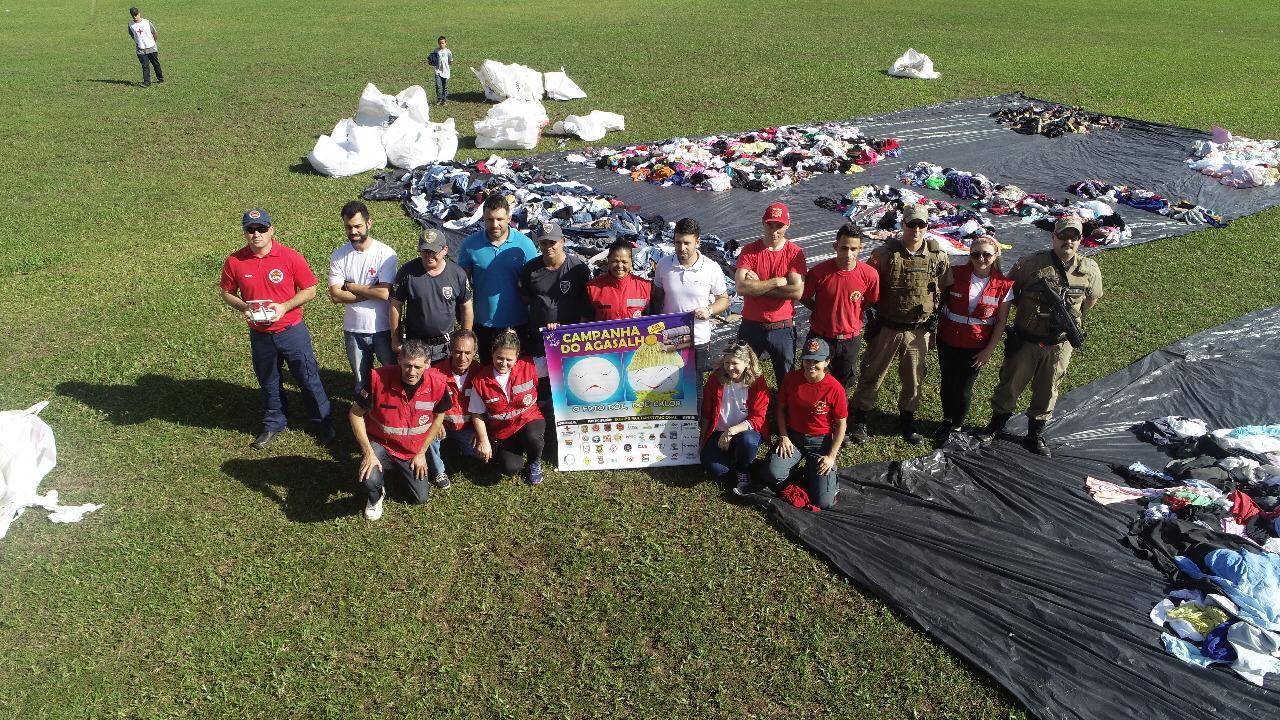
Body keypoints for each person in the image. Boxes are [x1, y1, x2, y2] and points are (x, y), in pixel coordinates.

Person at [977, 217, 1103, 456]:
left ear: (1080, 240)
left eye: (1073, 237)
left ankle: (1035, 433)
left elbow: (1091, 299)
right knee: (1010, 384)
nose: (1068, 241)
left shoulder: (1090, 268)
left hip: (1059, 343)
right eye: (1063, 236)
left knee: (1048, 388)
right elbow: (1010, 293)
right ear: (1053, 237)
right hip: (1027, 339)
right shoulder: (1031, 262)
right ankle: (995, 425)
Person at [219, 209, 333, 449]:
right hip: (260, 334)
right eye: (250, 230)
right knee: (268, 380)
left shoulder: (290, 257)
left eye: (261, 229)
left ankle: (322, 422)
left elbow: (310, 289)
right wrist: (243, 307)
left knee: (308, 377)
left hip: (291, 331)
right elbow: (227, 293)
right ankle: (274, 422)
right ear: (245, 233)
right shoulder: (235, 261)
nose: (256, 234)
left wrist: (285, 307)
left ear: (271, 230)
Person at [848, 204, 952, 445]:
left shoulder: (938, 255)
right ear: (903, 224)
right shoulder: (885, 254)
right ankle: (861, 418)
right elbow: (866, 283)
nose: (916, 229)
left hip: (918, 330)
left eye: (921, 225)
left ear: (927, 227)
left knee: (914, 377)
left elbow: (945, 285)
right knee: (872, 373)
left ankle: (907, 418)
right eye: (911, 224)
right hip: (887, 327)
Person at [349, 339, 451, 521]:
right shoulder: (377, 379)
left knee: (420, 498)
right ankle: (376, 495)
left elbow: (439, 417)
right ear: (399, 360)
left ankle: (395, 472)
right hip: (382, 444)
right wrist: (368, 452)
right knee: (369, 480)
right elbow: (355, 414)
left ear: (427, 364)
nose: (412, 372)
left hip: (412, 450)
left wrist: (421, 452)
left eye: (418, 366)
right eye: (408, 365)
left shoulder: (438, 384)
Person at [934, 236, 1014, 445]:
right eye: (975, 254)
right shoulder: (956, 274)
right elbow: (939, 299)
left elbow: (1001, 322)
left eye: (986, 254)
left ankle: (956, 426)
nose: (980, 258)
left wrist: (988, 350)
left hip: (975, 345)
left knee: (963, 388)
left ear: (995, 256)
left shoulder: (1003, 284)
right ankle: (946, 419)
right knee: (947, 383)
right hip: (947, 340)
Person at [799, 223, 880, 425]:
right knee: (813, 377)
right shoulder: (819, 272)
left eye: (854, 249)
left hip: (849, 338)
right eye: (844, 248)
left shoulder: (870, 275)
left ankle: (836, 420)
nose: (849, 254)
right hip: (820, 335)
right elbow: (804, 297)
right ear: (835, 246)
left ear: (861, 248)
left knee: (842, 382)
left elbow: (870, 300)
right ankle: (811, 417)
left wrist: (853, 312)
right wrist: (820, 309)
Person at [651, 217, 730, 400]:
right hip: (668, 338)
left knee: (694, 386)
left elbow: (724, 300)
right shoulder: (663, 265)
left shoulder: (711, 268)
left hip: (698, 339)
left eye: (687, 243)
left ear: (698, 242)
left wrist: (709, 310)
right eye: (678, 242)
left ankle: (694, 427)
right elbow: (657, 297)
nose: (682, 248)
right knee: (667, 385)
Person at [764, 338, 847, 509]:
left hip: (820, 443)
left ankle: (823, 476)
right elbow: (780, 409)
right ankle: (802, 469)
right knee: (772, 474)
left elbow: (841, 425)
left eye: (817, 361)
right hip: (794, 438)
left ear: (827, 362)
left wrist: (831, 456)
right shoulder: (791, 378)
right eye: (808, 359)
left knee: (824, 502)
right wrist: (784, 436)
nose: (811, 364)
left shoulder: (835, 388)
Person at [327, 201, 398, 396]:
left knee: (393, 377)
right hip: (353, 330)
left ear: (369, 223)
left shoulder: (386, 254)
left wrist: (351, 286)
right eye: (348, 227)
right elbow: (335, 295)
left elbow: (384, 293)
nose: (353, 231)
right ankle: (364, 420)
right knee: (361, 383)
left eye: (358, 226)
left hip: (383, 328)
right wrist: (371, 291)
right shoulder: (339, 255)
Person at [456, 195, 538, 363]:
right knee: (488, 370)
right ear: (483, 219)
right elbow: (461, 284)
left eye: (500, 219)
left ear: (509, 217)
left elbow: (536, 281)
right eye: (489, 219)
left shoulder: (524, 245)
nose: (495, 225)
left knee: (515, 373)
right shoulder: (470, 245)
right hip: (483, 323)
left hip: (518, 323)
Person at [735, 202, 807, 386]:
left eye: (779, 226)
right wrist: (775, 282)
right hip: (751, 326)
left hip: (781, 327)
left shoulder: (794, 253)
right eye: (770, 224)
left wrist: (757, 286)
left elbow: (797, 291)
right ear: (763, 223)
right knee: (741, 374)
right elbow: (742, 287)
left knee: (786, 378)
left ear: (787, 225)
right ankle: (744, 411)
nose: (774, 230)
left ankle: (785, 412)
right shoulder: (749, 251)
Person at [467, 329, 546, 484]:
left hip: (528, 419)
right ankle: (516, 449)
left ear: (517, 356)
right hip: (503, 431)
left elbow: (557, 358)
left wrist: (555, 334)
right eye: (499, 358)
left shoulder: (530, 365)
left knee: (534, 439)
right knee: (510, 468)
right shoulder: (481, 380)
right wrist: (484, 440)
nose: (503, 363)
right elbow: (476, 413)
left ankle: (534, 462)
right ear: (492, 353)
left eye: (509, 359)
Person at [390, 227, 473, 363]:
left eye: (433, 251)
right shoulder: (407, 272)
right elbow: (395, 305)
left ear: (445, 249)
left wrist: (466, 337)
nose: (429, 255)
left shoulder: (457, 274)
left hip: (445, 347)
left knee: (443, 383)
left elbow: (466, 306)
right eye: (425, 251)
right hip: (415, 345)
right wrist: (395, 340)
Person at [699, 342, 770, 495]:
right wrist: (703, 439)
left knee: (747, 441)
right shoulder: (715, 379)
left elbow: (758, 418)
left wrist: (731, 431)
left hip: (746, 431)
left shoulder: (758, 382)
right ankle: (737, 457)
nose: (730, 368)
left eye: (735, 363)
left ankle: (743, 469)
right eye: (727, 362)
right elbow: (706, 411)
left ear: (747, 363)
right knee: (716, 470)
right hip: (719, 430)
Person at [518, 222, 591, 356]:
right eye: (543, 243)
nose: (548, 247)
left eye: (552, 242)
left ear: (563, 241)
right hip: (539, 342)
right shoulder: (530, 269)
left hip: (570, 342)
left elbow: (587, 306)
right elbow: (526, 299)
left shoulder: (578, 269)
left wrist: (579, 335)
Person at [426, 330, 484, 488]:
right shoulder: (434, 373)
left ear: (474, 352)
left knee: (477, 457)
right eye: (458, 352)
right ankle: (438, 471)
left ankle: (456, 448)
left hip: (467, 428)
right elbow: (423, 404)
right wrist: (434, 421)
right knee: (429, 433)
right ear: (450, 350)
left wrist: (481, 433)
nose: (462, 358)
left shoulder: (481, 373)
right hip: (442, 425)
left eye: (467, 352)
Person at [587, 241, 652, 321]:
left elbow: (650, 320)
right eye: (615, 261)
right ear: (608, 260)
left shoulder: (645, 286)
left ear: (631, 262)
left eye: (624, 262)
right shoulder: (592, 288)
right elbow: (585, 322)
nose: (619, 266)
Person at [126, 7, 164, 87]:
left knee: (155, 64)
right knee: (145, 65)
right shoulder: (130, 24)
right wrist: (138, 42)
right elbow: (132, 35)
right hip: (140, 49)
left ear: (139, 13)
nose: (135, 17)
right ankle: (147, 82)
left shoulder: (147, 22)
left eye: (136, 14)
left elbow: (155, 33)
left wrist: (153, 42)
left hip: (151, 47)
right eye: (133, 15)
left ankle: (160, 77)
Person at [427, 36, 452, 105]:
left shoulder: (448, 52)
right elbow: (433, 59)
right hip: (438, 71)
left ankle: (444, 100)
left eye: (443, 43)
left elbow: (450, 61)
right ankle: (439, 99)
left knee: (445, 87)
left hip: (446, 72)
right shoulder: (436, 51)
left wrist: (447, 65)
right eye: (440, 43)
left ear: (445, 43)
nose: (441, 45)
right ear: (438, 43)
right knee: (438, 86)